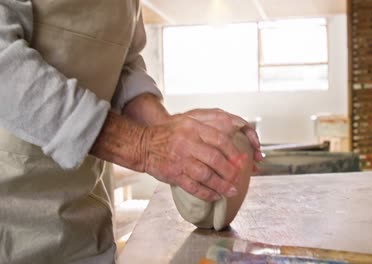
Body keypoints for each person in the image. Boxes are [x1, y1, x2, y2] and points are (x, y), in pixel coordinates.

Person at [0, 0, 262, 263]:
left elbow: (121, 65)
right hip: (11, 228)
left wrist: (167, 130)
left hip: (82, 229)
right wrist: (143, 147)